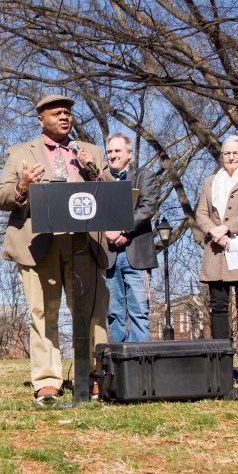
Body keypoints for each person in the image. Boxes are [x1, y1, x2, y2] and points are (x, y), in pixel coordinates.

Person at [0, 94, 110, 406]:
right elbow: (1, 196)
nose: (64, 118)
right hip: (39, 242)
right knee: (43, 312)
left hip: (84, 241)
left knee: (91, 311)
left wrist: (95, 172)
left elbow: (112, 192)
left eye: (68, 113)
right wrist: (23, 186)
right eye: (57, 113)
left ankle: (95, 376)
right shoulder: (20, 153)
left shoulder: (91, 152)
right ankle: (47, 381)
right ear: (41, 119)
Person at [194, 135, 238, 369]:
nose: (231, 157)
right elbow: (201, 213)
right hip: (216, 249)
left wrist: (227, 227)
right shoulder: (210, 181)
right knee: (218, 304)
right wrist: (215, 231)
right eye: (227, 153)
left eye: (236, 153)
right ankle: (220, 357)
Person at [102, 133, 161, 343]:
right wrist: (109, 233)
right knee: (114, 312)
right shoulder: (100, 180)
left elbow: (147, 208)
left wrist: (122, 230)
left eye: (117, 151)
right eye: (109, 151)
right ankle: (120, 365)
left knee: (139, 310)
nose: (113, 155)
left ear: (129, 153)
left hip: (136, 254)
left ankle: (139, 364)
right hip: (108, 255)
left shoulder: (145, 176)